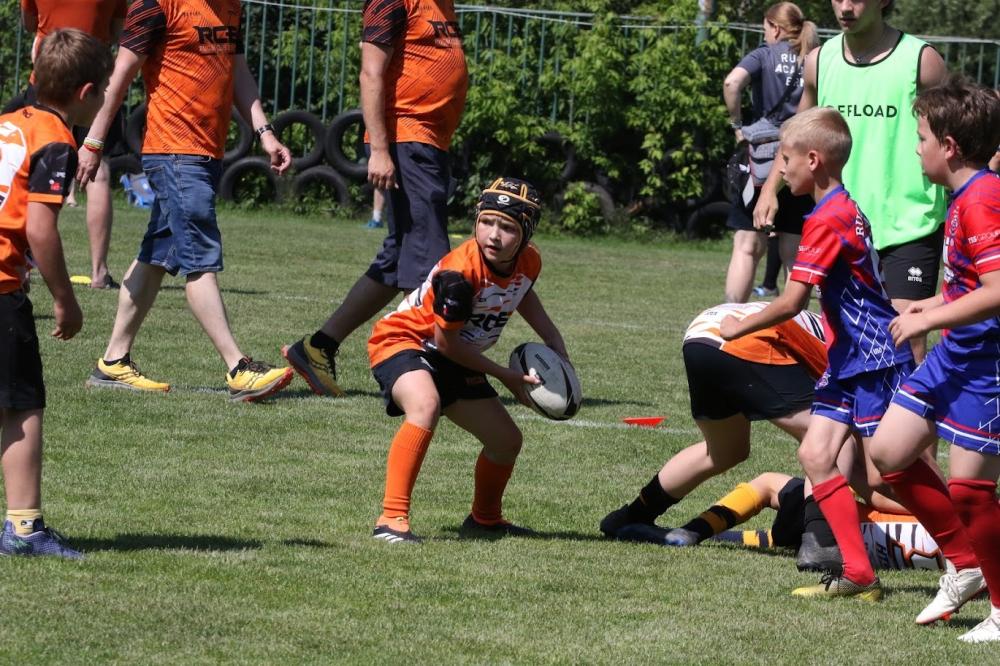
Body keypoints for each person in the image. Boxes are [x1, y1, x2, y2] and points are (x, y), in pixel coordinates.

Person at [719, 106, 915, 601]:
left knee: (894, 475)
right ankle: (859, 574)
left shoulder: (827, 219)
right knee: (816, 454)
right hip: (850, 358)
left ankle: (973, 556)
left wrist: (739, 325)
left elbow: (791, 301)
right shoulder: (839, 207)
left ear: (813, 160)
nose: (780, 170)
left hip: (874, 357)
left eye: (785, 159)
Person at [75, 0, 295, 402]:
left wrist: (265, 132)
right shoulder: (156, 5)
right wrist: (92, 142)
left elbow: (237, 71)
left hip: (206, 152)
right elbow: (119, 77)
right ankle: (238, 367)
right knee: (200, 256)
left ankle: (113, 361)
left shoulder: (231, 6)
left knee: (158, 255)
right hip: (174, 151)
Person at [599, 300, 896, 572]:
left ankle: (631, 516)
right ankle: (820, 542)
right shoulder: (870, 371)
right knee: (834, 443)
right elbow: (870, 476)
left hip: (701, 336)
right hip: (748, 341)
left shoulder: (856, 342)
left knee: (724, 451)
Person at [869, 78, 1000, 642]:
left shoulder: (984, 198)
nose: (916, 149)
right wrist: (936, 302)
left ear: (948, 146)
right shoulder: (964, 196)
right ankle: (965, 565)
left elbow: (998, 289)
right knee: (889, 450)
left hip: (987, 363)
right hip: (956, 354)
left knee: (970, 491)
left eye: (921, 138)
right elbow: (971, 282)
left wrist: (927, 319)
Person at [283, 0, 469, 397]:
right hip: (406, 140)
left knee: (399, 258)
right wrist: (381, 150)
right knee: (429, 261)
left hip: (428, 143)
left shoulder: (444, 5)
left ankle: (318, 347)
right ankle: (420, 366)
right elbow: (371, 73)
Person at [367, 178, 566, 543]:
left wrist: (554, 341)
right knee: (426, 405)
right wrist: (506, 376)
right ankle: (391, 519)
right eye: (486, 222)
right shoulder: (459, 275)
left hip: (456, 353)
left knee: (506, 441)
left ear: (526, 234)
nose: (494, 235)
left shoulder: (529, 261)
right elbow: (446, 345)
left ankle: (484, 519)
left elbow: (520, 290)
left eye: (507, 227)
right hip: (405, 341)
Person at [754, 0, 948, 362]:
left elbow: (954, 138)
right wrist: (770, 189)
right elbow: (796, 137)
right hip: (842, 225)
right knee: (845, 335)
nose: (845, 7)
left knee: (906, 337)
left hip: (907, 223)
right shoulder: (819, 61)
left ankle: (912, 399)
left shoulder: (921, 61)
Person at [0, 29, 113, 558]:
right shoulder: (56, 140)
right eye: (106, 89)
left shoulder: (9, 122)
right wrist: (65, 300)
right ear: (86, 93)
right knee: (21, 405)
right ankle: (25, 529)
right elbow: (40, 228)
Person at [3, 0, 128, 290]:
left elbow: (29, 24)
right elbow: (117, 32)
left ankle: (19, 268)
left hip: (46, 80)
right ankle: (99, 271)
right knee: (98, 171)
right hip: (92, 80)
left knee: (24, 162)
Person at [619, 471, 949, 573]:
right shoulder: (958, 553)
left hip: (832, 527)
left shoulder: (943, 512)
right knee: (781, 539)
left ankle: (693, 531)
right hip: (857, 546)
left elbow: (880, 498)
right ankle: (723, 537)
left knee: (769, 483)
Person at [722, 2, 817, 303]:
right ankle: (794, 322)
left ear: (775, 28)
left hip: (761, 159)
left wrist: (737, 125)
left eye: (765, 29)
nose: (765, 35)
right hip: (802, 155)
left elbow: (732, 82)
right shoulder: (814, 56)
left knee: (747, 244)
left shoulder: (764, 54)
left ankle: (731, 317)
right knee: (794, 248)